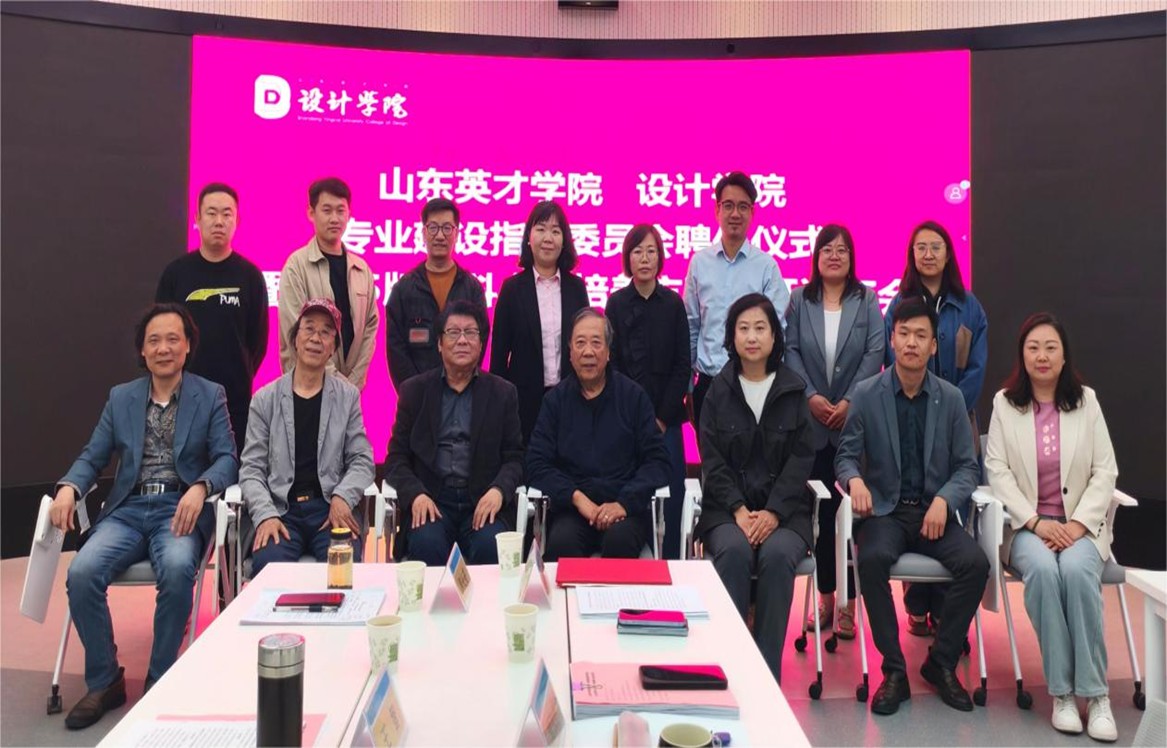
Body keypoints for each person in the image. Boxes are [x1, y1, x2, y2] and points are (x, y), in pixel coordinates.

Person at [49, 303, 237, 729]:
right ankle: (104, 681)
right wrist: (68, 487)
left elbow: (228, 458)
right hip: (128, 509)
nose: (163, 348)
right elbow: (93, 455)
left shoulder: (210, 395)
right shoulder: (122, 398)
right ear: (142, 350)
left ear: (187, 347)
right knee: (82, 573)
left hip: (179, 508)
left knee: (177, 569)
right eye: (154, 340)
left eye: (172, 339)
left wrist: (201, 487)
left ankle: (160, 679)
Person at [835, 298, 987, 715]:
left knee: (976, 564)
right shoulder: (867, 394)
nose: (911, 343)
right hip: (885, 512)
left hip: (933, 511)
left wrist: (945, 500)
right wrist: (855, 481)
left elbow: (967, 467)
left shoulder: (951, 398)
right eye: (904, 334)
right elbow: (845, 456)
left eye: (921, 335)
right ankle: (895, 671)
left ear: (934, 345)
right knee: (871, 560)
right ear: (892, 339)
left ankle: (941, 662)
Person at [985, 313, 1119, 741]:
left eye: (1050, 348)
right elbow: (997, 471)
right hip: (1027, 528)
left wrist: (1078, 524)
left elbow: (1105, 470)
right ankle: (1062, 693)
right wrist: (1036, 522)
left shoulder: (1087, 401)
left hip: (1081, 526)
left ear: (1064, 357)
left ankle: (1096, 695)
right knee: (1044, 571)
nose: (1041, 356)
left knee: (1077, 571)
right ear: (1022, 356)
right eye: (1033, 348)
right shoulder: (1005, 404)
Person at [696, 293, 815, 684]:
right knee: (733, 552)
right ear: (731, 336)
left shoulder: (794, 390)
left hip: (785, 514)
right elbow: (712, 460)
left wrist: (774, 512)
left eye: (760, 328)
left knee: (778, 556)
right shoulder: (717, 391)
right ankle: (728, 670)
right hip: (727, 512)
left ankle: (765, 678)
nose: (751, 337)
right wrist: (737, 509)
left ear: (774, 336)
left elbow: (801, 460)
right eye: (743, 328)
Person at [883, 220, 988, 636]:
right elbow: (890, 360)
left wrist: (950, 406)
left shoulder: (969, 307)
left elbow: (977, 366)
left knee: (950, 513)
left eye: (936, 247)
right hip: (908, 415)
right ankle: (916, 603)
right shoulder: (899, 303)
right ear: (911, 255)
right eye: (920, 247)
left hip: (957, 419)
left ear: (948, 254)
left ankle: (946, 611)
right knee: (911, 503)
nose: (928, 254)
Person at [783, 224, 884, 640]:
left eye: (842, 249)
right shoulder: (799, 299)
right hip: (811, 425)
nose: (835, 255)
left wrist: (849, 402)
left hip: (853, 424)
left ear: (851, 257)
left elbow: (875, 352)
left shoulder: (867, 299)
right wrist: (810, 396)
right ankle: (826, 599)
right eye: (827, 249)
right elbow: (790, 350)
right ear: (816, 256)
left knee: (854, 518)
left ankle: (850, 606)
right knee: (822, 516)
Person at [240, 298, 374, 577]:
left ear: (333, 348)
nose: (316, 338)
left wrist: (342, 497)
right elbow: (251, 469)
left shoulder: (347, 397)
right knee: (270, 569)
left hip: (329, 509)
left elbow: (362, 460)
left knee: (343, 568)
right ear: (295, 339)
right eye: (309, 328)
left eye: (326, 332)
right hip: (281, 510)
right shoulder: (265, 399)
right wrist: (265, 514)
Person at [385, 300, 524, 565]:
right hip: (433, 499)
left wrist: (498, 490)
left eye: (471, 332)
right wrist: (416, 494)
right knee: (426, 545)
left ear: (481, 344)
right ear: (439, 343)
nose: (462, 340)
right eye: (453, 332)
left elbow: (515, 458)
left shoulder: (503, 393)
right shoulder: (414, 391)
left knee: (491, 546)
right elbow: (396, 459)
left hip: (482, 500)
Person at [526, 308, 670, 560]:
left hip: (623, 508)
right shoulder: (555, 401)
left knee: (619, 542)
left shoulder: (633, 397)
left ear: (608, 352)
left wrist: (623, 503)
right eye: (580, 343)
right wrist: (577, 499)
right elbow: (537, 463)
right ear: (570, 352)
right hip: (573, 509)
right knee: (562, 544)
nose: (588, 352)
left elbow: (657, 461)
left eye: (596, 343)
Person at [156, 182, 268, 454]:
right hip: (181, 401)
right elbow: (159, 335)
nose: (219, 221)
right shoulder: (176, 274)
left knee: (229, 470)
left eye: (227, 214)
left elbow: (258, 341)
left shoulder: (250, 276)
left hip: (234, 404)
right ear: (197, 219)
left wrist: (238, 375)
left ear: (237, 220)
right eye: (211, 213)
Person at [605, 224, 690, 560]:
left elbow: (682, 366)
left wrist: (662, 418)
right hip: (626, 421)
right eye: (637, 251)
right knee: (629, 493)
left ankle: (671, 564)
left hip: (666, 422)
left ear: (660, 257)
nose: (644, 258)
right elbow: (612, 365)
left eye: (651, 251)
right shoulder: (615, 303)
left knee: (672, 495)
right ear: (628, 258)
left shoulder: (673, 303)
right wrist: (635, 417)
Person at [683, 171, 790, 436]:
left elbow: (777, 331)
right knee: (710, 459)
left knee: (755, 460)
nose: (735, 214)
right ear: (717, 210)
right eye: (728, 205)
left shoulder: (766, 267)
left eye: (743, 207)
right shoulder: (699, 263)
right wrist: (689, 386)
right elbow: (691, 327)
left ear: (752, 213)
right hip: (708, 383)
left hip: (753, 384)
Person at [490, 201, 589, 444]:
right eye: (541, 229)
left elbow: (585, 343)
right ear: (529, 237)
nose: (548, 238)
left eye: (556, 231)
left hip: (570, 399)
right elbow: (499, 357)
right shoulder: (512, 289)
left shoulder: (576, 288)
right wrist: (499, 408)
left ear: (564, 241)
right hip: (523, 403)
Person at [278, 177, 380, 390]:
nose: (335, 218)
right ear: (311, 213)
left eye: (340, 211)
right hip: (306, 389)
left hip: (352, 392)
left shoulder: (361, 269)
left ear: (349, 214)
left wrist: (353, 384)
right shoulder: (296, 266)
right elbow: (295, 333)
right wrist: (339, 386)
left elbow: (370, 328)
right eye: (327, 210)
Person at [385, 197, 486, 390]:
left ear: (456, 233)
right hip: (418, 398)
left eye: (447, 228)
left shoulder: (472, 289)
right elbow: (395, 350)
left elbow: (479, 341)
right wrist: (414, 393)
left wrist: (461, 386)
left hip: (463, 393)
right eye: (433, 228)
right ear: (423, 233)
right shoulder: (403, 289)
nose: (440, 236)